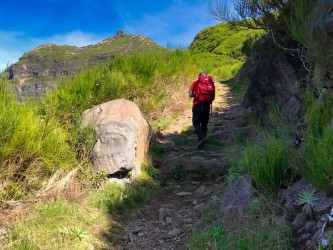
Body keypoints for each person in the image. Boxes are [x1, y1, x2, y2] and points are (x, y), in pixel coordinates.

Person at [189, 72, 215, 149]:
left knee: (196, 122)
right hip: (207, 105)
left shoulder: (195, 83)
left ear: (199, 77)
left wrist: (196, 94)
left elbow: (190, 94)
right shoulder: (210, 83)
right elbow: (213, 95)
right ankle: (203, 138)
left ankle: (201, 138)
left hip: (197, 104)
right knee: (204, 123)